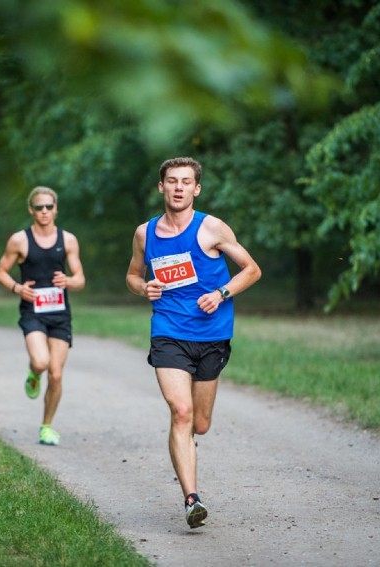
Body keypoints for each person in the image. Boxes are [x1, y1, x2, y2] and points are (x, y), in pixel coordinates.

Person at [126, 157, 262, 529]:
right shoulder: (145, 233)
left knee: (199, 424)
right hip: (168, 331)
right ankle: (192, 499)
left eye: (186, 182)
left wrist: (221, 292)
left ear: (196, 189)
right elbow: (133, 276)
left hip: (212, 335)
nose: (179, 187)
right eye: (172, 181)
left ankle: (186, 444)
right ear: (161, 187)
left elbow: (252, 269)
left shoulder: (212, 228)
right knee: (181, 412)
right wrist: (144, 287)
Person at [0, 186, 85, 446]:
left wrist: (68, 280)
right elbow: (1, 271)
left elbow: (80, 279)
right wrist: (16, 288)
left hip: (60, 313)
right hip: (32, 311)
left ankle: (46, 426)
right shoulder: (19, 240)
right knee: (42, 362)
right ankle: (34, 374)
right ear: (31, 210)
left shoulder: (68, 240)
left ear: (55, 208)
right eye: (38, 207)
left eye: (48, 207)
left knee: (56, 374)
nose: (44, 211)